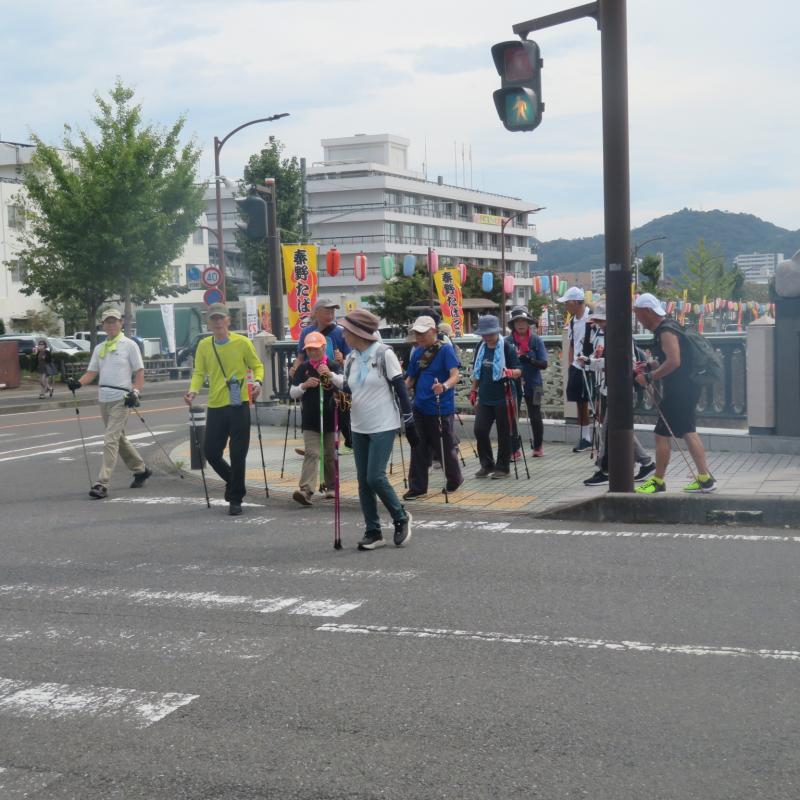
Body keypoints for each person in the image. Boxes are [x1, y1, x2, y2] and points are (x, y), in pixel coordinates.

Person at [329, 308, 416, 550]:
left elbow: (400, 389)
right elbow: (349, 388)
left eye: (346, 331)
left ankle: (400, 517)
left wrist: (409, 423)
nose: (343, 335)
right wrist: (337, 392)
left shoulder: (383, 353)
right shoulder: (351, 358)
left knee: (374, 476)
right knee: (363, 481)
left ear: (358, 332)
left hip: (383, 423)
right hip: (359, 425)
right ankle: (373, 531)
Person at [184, 303, 265, 515]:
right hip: (216, 405)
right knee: (210, 452)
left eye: (221, 318)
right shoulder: (204, 345)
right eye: (213, 318)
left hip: (239, 405)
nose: (218, 321)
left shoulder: (242, 343)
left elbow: (257, 366)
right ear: (208, 322)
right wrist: (193, 391)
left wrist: (257, 382)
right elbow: (199, 372)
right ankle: (235, 482)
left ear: (228, 320)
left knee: (239, 454)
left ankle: (235, 499)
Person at [632, 293, 716, 494]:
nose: (638, 319)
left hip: (680, 389)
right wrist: (652, 364)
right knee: (688, 431)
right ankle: (705, 478)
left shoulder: (666, 331)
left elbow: (675, 362)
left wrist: (650, 376)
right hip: (688, 386)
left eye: (638, 314)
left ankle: (658, 481)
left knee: (661, 434)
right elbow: (673, 358)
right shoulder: (671, 325)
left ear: (648, 312)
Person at [66, 308, 151, 499]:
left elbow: (139, 372)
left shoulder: (129, 345)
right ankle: (141, 469)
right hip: (103, 398)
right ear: (103, 325)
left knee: (110, 440)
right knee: (118, 438)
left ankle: (101, 483)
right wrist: (78, 383)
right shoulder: (99, 348)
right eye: (107, 322)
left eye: (114, 321)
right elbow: (92, 373)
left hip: (122, 399)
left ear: (121, 323)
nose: (111, 325)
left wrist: (135, 392)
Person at [581, 303, 655, 486]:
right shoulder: (609, 334)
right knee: (618, 429)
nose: (598, 324)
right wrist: (592, 361)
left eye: (600, 320)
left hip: (620, 388)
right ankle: (646, 462)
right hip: (614, 388)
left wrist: (591, 363)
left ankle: (605, 469)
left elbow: (619, 362)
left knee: (608, 430)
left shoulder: (617, 335)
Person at [403, 315, 463, 499]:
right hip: (419, 406)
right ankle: (418, 487)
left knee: (443, 446)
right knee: (418, 446)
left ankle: (454, 479)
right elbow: (410, 379)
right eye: (416, 334)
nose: (419, 337)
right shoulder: (417, 353)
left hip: (440, 407)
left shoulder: (445, 350)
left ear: (434, 332)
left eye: (423, 333)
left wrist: (443, 386)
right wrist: (399, 391)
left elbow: (455, 375)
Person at [289, 331, 341, 506]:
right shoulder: (303, 368)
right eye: (309, 349)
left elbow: (343, 387)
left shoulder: (332, 366)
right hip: (310, 418)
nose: (312, 352)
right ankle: (306, 490)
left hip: (330, 417)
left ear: (324, 348)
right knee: (312, 452)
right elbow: (292, 392)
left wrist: (329, 375)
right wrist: (304, 385)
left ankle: (332, 486)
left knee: (329, 454)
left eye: (316, 349)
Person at [468, 314, 522, 479]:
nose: (487, 337)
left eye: (490, 334)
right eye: (484, 334)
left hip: (504, 396)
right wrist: (473, 390)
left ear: (497, 332)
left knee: (504, 432)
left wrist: (511, 372)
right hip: (485, 396)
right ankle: (487, 464)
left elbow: (519, 370)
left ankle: (503, 467)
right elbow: (478, 371)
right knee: (480, 430)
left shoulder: (506, 347)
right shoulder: (480, 347)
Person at [557, 286, 594, 452]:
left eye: (567, 303)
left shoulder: (591, 318)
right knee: (580, 403)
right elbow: (572, 344)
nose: (566, 307)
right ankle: (586, 437)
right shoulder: (572, 321)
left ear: (575, 302)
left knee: (597, 402)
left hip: (593, 365)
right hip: (577, 367)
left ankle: (599, 437)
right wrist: (571, 364)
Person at [507, 306, 548, 457]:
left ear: (528, 322)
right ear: (513, 324)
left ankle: (538, 446)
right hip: (514, 384)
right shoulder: (507, 341)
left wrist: (530, 360)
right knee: (513, 415)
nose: (521, 324)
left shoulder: (536, 340)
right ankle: (514, 448)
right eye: (517, 321)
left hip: (535, 384)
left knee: (535, 415)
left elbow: (544, 364)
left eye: (523, 320)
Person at [289, 299, 350, 379]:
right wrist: (295, 369)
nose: (330, 316)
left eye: (332, 313)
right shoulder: (306, 332)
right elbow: (300, 358)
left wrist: (342, 360)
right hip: (311, 377)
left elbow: (351, 361)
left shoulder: (341, 332)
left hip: (334, 377)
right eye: (327, 313)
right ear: (316, 313)